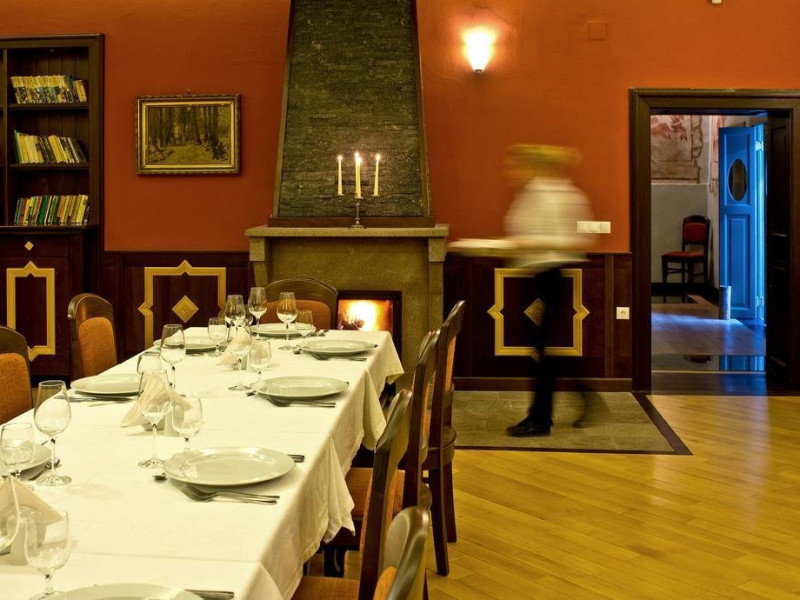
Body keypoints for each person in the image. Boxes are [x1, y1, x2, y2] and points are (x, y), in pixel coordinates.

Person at [502, 144, 595, 437]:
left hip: (549, 276)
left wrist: (526, 244)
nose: (511, 171)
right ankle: (579, 397)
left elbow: (574, 240)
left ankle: (540, 419)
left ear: (534, 166)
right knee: (543, 347)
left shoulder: (556, 196)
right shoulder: (534, 194)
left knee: (542, 348)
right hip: (537, 276)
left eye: (516, 165)